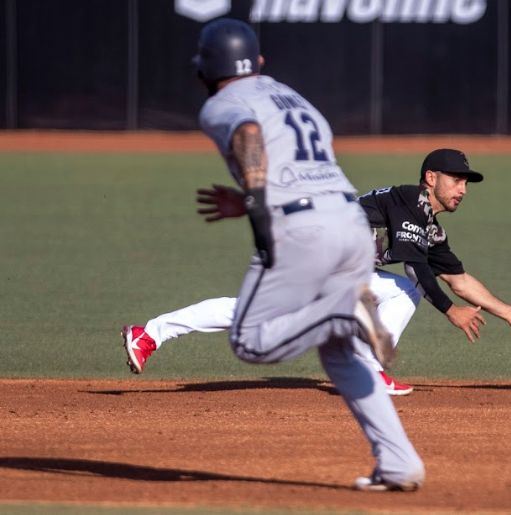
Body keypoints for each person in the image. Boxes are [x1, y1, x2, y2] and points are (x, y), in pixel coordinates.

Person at [122, 17, 424, 492]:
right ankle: (399, 464)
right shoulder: (290, 95)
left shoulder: (224, 102)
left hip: (300, 227)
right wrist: (250, 198)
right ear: (258, 61)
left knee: (250, 340)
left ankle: (343, 315)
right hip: (350, 220)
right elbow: (304, 159)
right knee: (343, 357)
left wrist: (258, 208)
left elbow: (247, 134)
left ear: (205, 69)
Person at [123, 149, 511, 395]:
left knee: (249, 313)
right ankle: (368, 368)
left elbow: (458, 278)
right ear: (431, 178)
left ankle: (150, 334)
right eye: (457, 180)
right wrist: (451, 311)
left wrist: (509, 312)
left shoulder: (430, 227)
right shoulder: (410, 200)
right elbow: (416, 266)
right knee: (409, 287)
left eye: (467, 182)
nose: (463, 188)